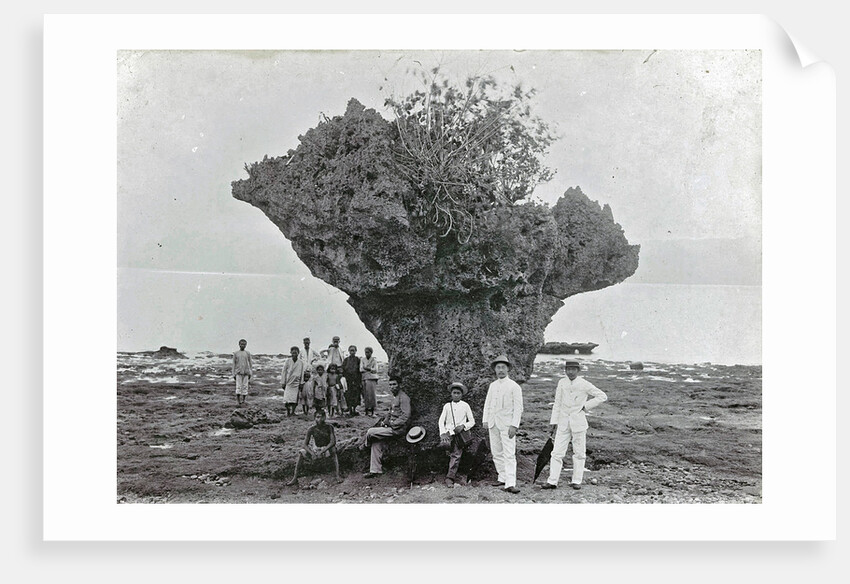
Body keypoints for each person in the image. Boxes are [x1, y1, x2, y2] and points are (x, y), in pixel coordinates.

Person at [541, 359, 608, 490]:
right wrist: (554, 422)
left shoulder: (584, 384)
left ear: (578, 371)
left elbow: (602, 396)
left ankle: (577, 481)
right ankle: (552, 481)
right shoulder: (561, 382)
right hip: (563, 423)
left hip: (579, 423)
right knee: (556, 453)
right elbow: (557, 403)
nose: (570, 372)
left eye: (573, 369)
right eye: (568, 369)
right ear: (565, 370)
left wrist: (585, 406)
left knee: (579, 453)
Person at [482, 354, 523, 494]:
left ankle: (511, 483)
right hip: (493, 423)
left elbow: (518, 408)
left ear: (508, 369)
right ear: (495, 370)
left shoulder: (514, 386)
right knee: (496, 452)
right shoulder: (492, 385)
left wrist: (514, 425)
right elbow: (487, 404)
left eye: (503, 367)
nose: (500, 370)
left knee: (509, 454)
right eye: (498, 367)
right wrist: (485, 420)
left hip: (507, 425)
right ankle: (502, 477)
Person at [360, 376, 411, 478]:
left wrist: (392, 424)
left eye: (394, 384)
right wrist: (385, 422)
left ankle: (364, 446)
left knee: (370, 432)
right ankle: (375, 470)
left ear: (399, 385)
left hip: (397, 429)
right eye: (390, 385)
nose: (392, 387)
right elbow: (390, 413)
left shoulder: (404, 397)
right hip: (390, 427)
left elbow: (406, 415)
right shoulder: (394, 397)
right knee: (376, 443)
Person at [285, 409, 342, 486]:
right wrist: (312, 453)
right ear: (314, 418)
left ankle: (337, 475)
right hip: (316, 449)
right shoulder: (311, 429)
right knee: (301, 452)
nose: (319, 419)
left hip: (326, 449)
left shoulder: (329, 427)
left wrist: (323, 451)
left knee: (333, 450)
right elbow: (305, 445)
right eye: (317, 417)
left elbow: (332, 442)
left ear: (324, 418)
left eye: (321, 417)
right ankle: (295, 477)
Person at [438, 382, 476, 487]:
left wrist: (463, 426)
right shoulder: (447, 406)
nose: (456, 395)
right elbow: (441, 421)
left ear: (462, 394)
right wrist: (443, 433)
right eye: (454, 393)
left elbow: (472, 421)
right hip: (448, 433)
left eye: (458, 393)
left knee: (456, 455)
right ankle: (444, 474)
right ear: (451, 394)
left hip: (460, 435)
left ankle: (450, 477)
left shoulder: (465, 406)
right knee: (446, 451)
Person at [280, 346, 306, 417]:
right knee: (287, 399)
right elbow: (284, 372)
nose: (294, 354)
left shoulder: (301, 362)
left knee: (295, 399)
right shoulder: (288, 361)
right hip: (288, 382)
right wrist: (283, 382)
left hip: (296, 383)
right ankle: (288, 412)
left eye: (296, 352)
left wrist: (301, 383)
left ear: (298, 353)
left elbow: (302, 373)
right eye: (293, 352)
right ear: (290, 353)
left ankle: (293, 412)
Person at [232, 338, 253, 407]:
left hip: (246, 372)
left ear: (246, 345)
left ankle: (244, 400)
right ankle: (238, 401)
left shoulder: (248, 353)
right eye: (241, 344)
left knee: (245, 386)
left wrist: (250, 372)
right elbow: (233, 364)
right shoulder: (236, 353)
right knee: (238, 386)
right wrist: (233, 373)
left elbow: (250, 363)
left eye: (244, 344)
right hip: (238, 372)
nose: (243, 346)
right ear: (239, 345)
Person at [342, 345, 362, 415]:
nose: (352, 352)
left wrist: (359, 381)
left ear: (356, 351)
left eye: (353, 350)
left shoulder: (358, 360)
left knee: (356, 395)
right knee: (348, 395)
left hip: (356, 380)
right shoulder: (346, 360)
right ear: (349, 351)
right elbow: (343, 369)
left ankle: (354, 409)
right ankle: (350, 409)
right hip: (348, 381)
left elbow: (360, 371)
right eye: (351, 350)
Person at [360, 346, 379, 417]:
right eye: (365, 352)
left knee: (372, 395)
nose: (366, 354)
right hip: (364, 378)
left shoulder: (374, 360)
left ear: (371, 353)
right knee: (366, 395)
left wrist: (367, 368)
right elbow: (361, 369)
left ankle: (373, 411)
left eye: (368, 352)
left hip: (372, 379)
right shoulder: (363, 359)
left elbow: (376, 370)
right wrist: (370, 369)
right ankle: (366, 411)